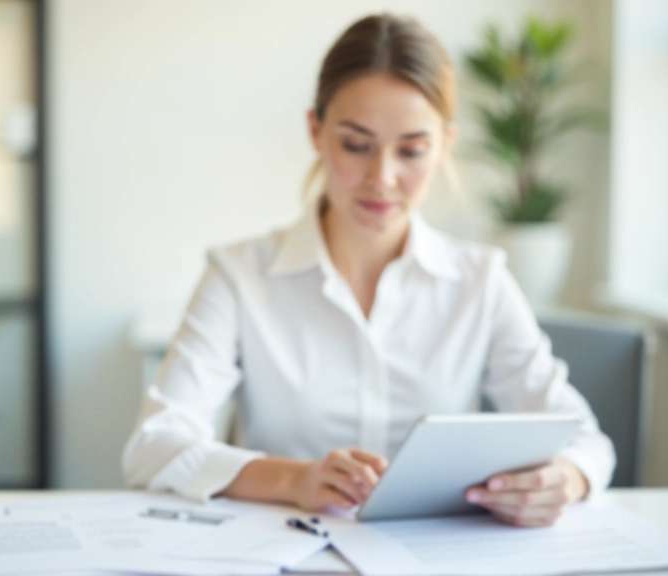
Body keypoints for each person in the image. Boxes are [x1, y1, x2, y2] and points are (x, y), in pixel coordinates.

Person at [123, 13, 615, 528]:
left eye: (412, 151)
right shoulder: (239, 275)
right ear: (316, 130)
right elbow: (154, 447)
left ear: (445, 144)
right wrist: (295, 479)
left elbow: (587, 443)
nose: (382, 178)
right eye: (357, 145)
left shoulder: (479, 280)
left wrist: (564, 478)